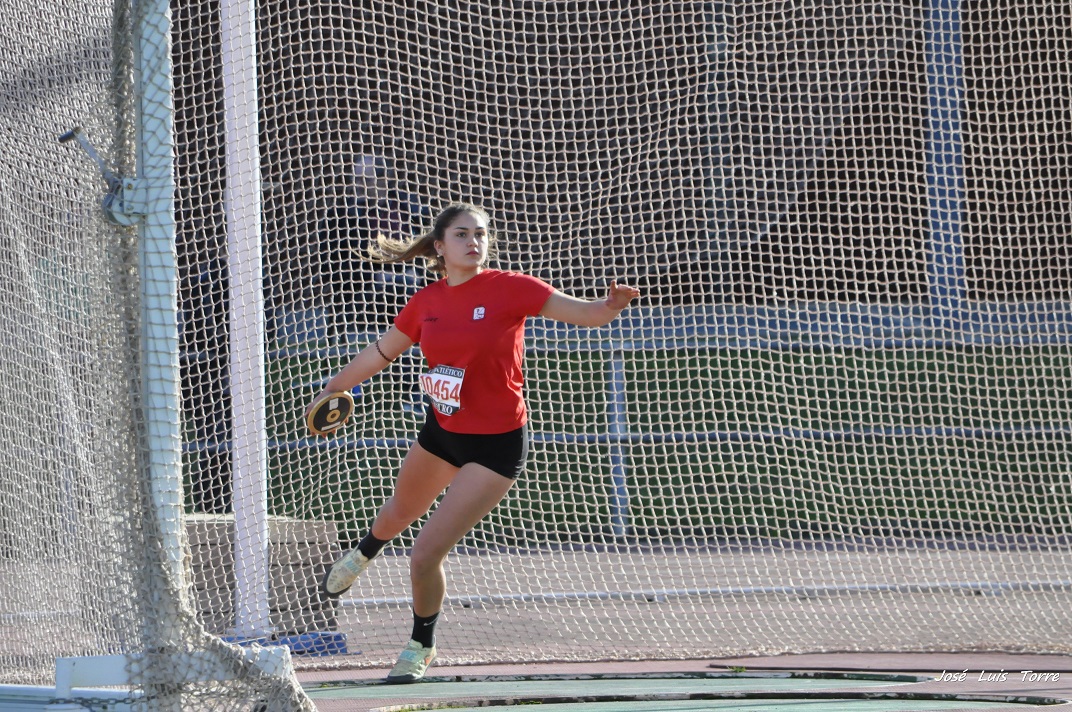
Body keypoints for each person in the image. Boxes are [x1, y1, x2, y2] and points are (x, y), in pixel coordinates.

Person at [305, 202, 640, 683]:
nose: (473, 242)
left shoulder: (511, 288)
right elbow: (380, 353)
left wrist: (610, 305)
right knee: (398, 511)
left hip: (495, 445)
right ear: (440, 247)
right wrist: (333, 390)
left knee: (424, 553)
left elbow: (587, 316)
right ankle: (363, 553)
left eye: (480, 234)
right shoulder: (425, 303)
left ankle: (421, 644)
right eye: (462, 234)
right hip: (442, 432)